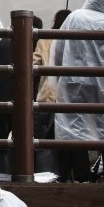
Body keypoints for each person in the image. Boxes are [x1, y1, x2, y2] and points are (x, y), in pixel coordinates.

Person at [52, 0, 104, 183]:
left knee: (75, 127)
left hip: (72, 82)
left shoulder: (74, 17)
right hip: (102, 85)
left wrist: (58, 74)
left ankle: (81, 175)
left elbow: (58, 49)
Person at [0, 17, 42, 175]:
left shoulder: (4, 42)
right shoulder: (36, 45)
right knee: (26, 143)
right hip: (25, 99)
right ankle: (25, 175)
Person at [31, 10, 70, 174]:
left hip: (46, 97)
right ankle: (64, 174)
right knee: (66, 140)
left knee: (44, 141)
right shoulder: (73, 40)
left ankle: (45, 174)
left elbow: (33, 63)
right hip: (67, 98)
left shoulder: (45, 38)